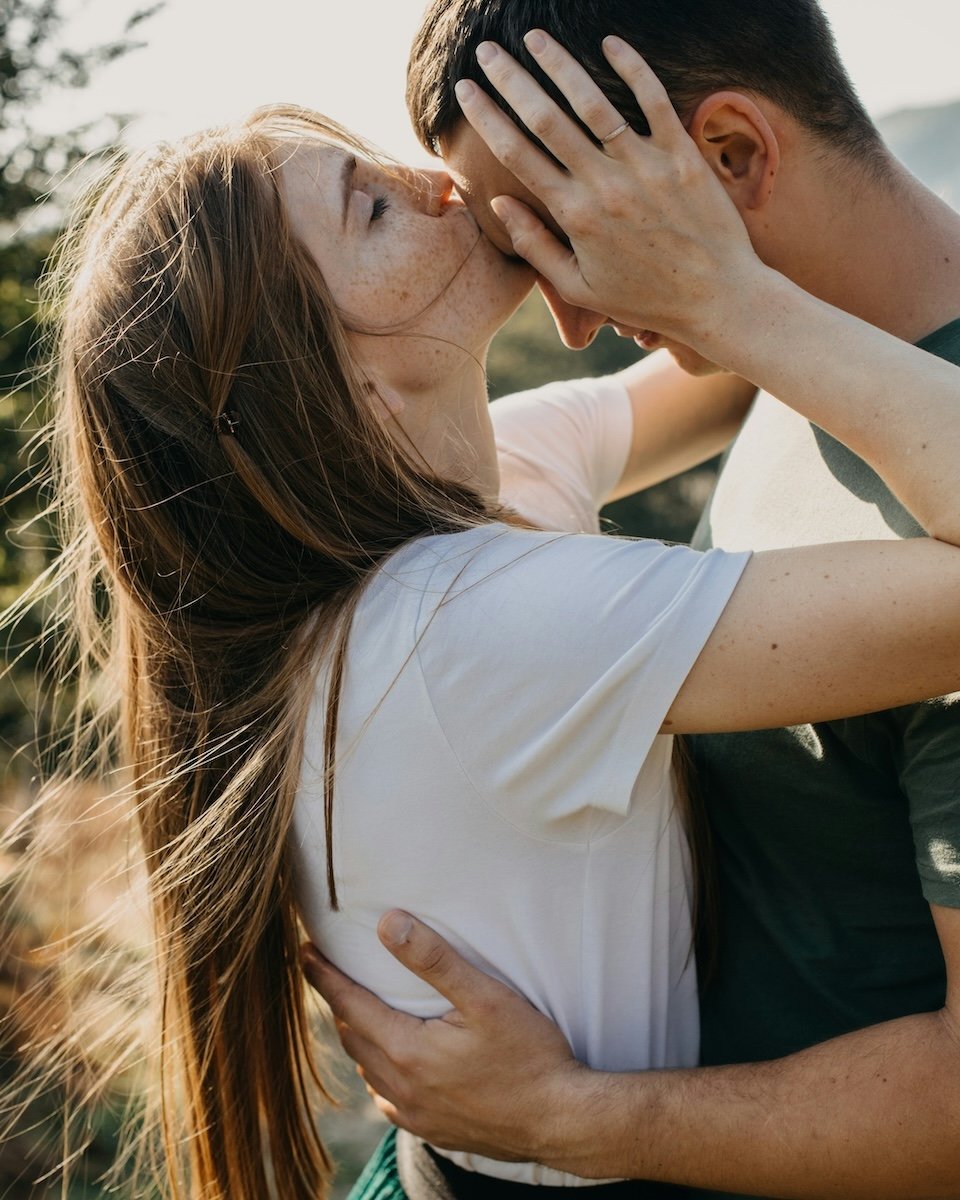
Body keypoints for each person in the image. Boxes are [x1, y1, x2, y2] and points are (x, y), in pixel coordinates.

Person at [23, 77, 960, 1200]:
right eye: (371, 208)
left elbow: (721, 371)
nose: (435, 181)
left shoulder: (472, 483)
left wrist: (692, 267)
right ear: (341, 388)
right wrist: (734, 294)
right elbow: (755, 340)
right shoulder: (472, 628)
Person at [304, 5, 960, 1199]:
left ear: (729, 159)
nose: (570, 318)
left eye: (570, 232)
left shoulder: (773, 335)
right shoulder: (787, 351)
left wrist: (575, 1119)